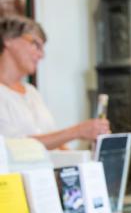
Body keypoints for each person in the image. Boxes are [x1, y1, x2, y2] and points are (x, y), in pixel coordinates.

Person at [0, 15, 109, 150]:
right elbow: (12, 147)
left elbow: (56, 143)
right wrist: (77, 131)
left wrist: (84, 163)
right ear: (8, 40)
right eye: (35, 44)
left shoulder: (32, 92)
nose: (41, 55)